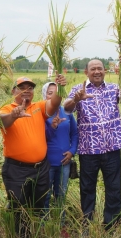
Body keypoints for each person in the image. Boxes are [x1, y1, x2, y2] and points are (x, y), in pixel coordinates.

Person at [0, 75, 66, 237]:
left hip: (41, 169)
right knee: (20, 210)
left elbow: (54, 103)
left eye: (30, 88)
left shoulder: (38, 107)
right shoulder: (7, 109)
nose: (26, 91)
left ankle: (36, 233)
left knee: (37, 207)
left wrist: (60, 87)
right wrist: (14, 115)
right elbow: (2, 121)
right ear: (13, 91)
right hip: (16, 170)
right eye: (22, 88)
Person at [63, 59, 121, 231]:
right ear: (86, 72)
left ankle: (111, 224)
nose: (97, 71)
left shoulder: (114, 88)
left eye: (99, 68)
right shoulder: (78, 89)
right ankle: (87, 223)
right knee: (87, 187)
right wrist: (76, 100)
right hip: (88, 149)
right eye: (93, 69)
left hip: (112, 147)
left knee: (113, 187)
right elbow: (67, 108)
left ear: (105, 70)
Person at [41, 82, 78, 232]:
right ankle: (43, 226)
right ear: (45, 95)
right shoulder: (42, 114)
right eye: (50, 92)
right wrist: (53, 126)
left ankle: (60, 224)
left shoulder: (67, 113)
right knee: (45, 195)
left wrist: (72, 151)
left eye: (56, 92)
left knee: (61, 195)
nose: (54, 95)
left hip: (65, 163)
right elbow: (41, 137)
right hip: (47, 163)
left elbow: (74, 134)